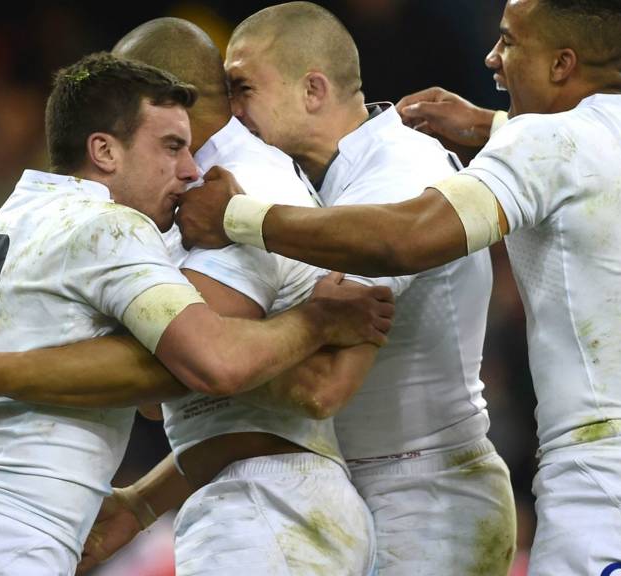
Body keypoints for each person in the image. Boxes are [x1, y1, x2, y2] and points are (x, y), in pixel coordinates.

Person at [174, 1, 621, 574]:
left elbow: (406, 241)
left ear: (562, 63)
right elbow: (581, 154)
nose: (491, 59)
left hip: (563, 486)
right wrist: (493, 126)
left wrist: (236, 219)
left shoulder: (431, 160)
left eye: (509, 42)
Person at [0, 21, 391, 576]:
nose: (190, 171)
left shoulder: (20, 211)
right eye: (170, 146)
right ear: (104, 150)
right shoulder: (110, 226)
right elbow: (210, 363)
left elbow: (158, 382)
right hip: (10, 544)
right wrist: (317, 321)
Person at [211, 3, 516, 573]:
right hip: (372, 482)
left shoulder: (397, 169)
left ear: (313, 89)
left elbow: (323, 385)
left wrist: (193, 365)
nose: (231, 113)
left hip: (428, 494)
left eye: (242, 87)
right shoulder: (321, 184)